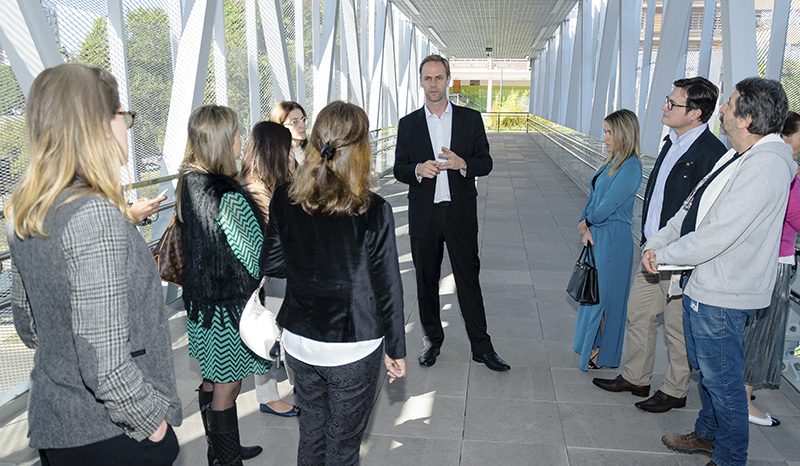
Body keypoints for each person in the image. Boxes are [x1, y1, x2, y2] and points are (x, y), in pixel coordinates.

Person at [7, 63, 181, 465]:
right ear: (98, 125)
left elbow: (28, 327)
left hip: (57, 424)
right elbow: (105, 369)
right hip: (111, 434)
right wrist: (155, 428)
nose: (127, 126)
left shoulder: (26, 211)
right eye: (124, 114)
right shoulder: (94, 214)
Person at [651, 77, 794, 466]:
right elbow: (693, 211)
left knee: (725, 382)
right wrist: (661, 243)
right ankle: (708, 434)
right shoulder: (736, 155)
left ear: (747, 118)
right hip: (706, 284)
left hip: (726, 292)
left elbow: (719, 233)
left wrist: (664, 258)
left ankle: (730, 457)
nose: (724, 110)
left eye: (730, 104)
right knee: (709, 374)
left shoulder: (767, 166)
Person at [262, 101, 406, 465]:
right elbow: (388, 286)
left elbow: (272, 264)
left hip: (299, 342)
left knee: (311, 433)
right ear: (360, 149)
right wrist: (396, 349)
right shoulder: (373, 209)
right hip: (352, 346)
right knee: (342, 448)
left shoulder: (285, 196)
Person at [592, 77, 726, 411]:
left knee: (677, 329)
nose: (664, 107)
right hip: (652, 249)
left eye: (672, 103)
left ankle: (674, 390)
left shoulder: (710, 154)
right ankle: (636, 377)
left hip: (679, 258)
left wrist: (678, 252)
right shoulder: (671, 142)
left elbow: (702, 215)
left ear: (695, 113)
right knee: (639, 315)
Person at [393, 54, 510, 371]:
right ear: (421, 82)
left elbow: (486, 162)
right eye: (427, 78)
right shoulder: (408, 125)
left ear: (448, 80)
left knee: (468, 279)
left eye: (438, 77)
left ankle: (482, 348)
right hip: (425, 216)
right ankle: (433, 342)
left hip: (459, 214)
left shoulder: (470, 120)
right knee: (425, 283)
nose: (433, 84)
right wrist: (417, 168)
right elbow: (399, 168)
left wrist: (464, 165)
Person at [177, 105, 267, 466]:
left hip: (201, 303)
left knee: (213, 379)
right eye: (237, 134)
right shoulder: (227, 195)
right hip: (228, 309)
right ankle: (226, 460)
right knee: (228, 388)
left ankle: (219, 448)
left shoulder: (189, 181)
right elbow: (254, 256)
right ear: (225, 142)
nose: (241, 140)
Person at [742, 110, 800, 427]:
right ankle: (744, 400)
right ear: (788, 136)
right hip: (776, 263)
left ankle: (742, 394)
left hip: (760, 259)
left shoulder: (767, 165)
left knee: (751, 331)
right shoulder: (786, 173)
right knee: (762, 333)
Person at [574, 109, 643, 371]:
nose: (605, 137)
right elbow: (594, 198)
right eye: (604, 131)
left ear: (623, 133)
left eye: (609, 132)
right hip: (598, 234)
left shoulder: (631, 166)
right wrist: (585, 222)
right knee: (595, 294)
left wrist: (587, 222)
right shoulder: (612, 162)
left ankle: (603, 352)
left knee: (607, 298)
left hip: (613, 238)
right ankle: (593, 347)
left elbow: (610, 204)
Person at [240, 120, 300, 418]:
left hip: (279, 271)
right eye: (287, 148)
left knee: (280, 330)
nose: (292, 153)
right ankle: (269, 395)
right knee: (272, 332)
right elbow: (275, 234)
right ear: (275, 151)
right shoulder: (257, 190)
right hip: (271, 276)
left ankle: (292, 388)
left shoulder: (272, 181)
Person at [269, 101, 308, 165]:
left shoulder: (312, 149)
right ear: (280, 126)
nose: (303, 125)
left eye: (303, 119)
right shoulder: (276, 157)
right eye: (294, 122)